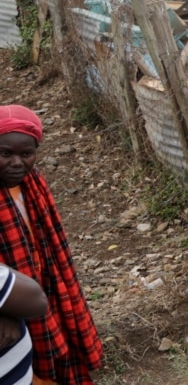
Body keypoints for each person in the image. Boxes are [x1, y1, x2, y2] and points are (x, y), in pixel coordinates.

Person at [0, 105, 102, 384]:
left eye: (26, 154)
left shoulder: (33, 185)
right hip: (10, 300)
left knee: (58, 344)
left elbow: (49, 243)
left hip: (45, 282)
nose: (17, 162)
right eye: (5, 153)